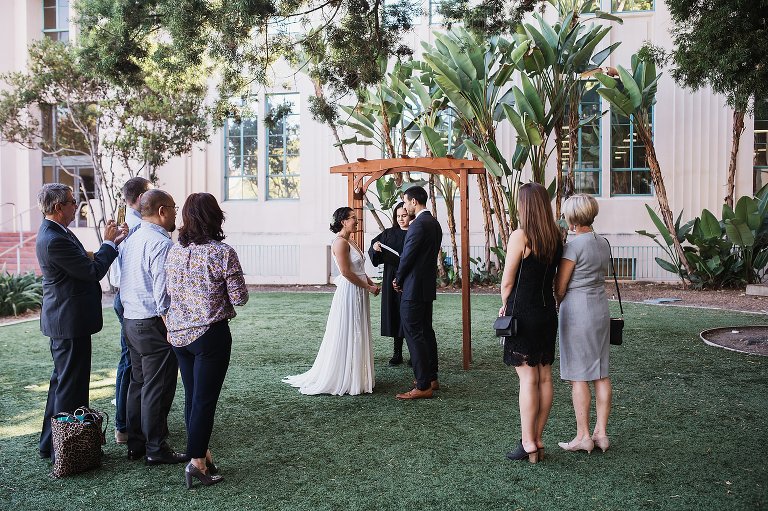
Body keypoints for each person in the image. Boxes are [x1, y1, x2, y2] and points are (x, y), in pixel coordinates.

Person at [35, 183, 127, 461]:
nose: (78, 206)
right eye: (73, 202)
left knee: (62, 384)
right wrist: (109, 244)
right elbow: (92, 271)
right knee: (70, 387)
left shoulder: (56, 232)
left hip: (67, 320)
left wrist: (108, 244)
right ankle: (65, 451)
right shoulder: (54, 238)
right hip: (68, 322)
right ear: (58, 207)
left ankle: (50, 444)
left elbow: (83, 260)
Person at [165, 193, 249, 488]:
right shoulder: (222, 252)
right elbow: (240, 297)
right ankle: (197, 461)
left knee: (193, 397)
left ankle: (201, 452)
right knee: (204, 401)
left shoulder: (174, 252)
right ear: (216, 217)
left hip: (178, 335)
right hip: (209, 335)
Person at [119, 189, 186, 465]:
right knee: (158, 387)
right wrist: (170, 323)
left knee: (139, 383)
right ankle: (156, 448)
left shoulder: (130, 239)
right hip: (152, 322)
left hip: (130, 320)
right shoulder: (161, 244)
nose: (175, 213)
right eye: (173, 208)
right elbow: (162, 291)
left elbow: (116, 279)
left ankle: (136, 443)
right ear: (161, 211)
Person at [283, 207, 379, 396]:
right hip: (350, 291)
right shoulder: (340, 243)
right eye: (353, 218)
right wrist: (368, 287)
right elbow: (345, 272)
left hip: (360, 289)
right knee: (350, 329)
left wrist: (370, 282)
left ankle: (356, 375)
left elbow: (358, 269)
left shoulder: (351, 240)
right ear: (343, 221)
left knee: (358, 329)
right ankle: (345, 377)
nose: (356, 220)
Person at [499, 182, 562, 463]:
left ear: (524, 206)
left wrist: (504, 304)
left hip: (523, 313)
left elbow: (508, 280)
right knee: (544, 377)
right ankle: (538, 438)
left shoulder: (520, 236)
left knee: (527, 379)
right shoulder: (556, 237)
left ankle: (527, 443)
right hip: (547, 312)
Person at [554, 194, 612, 454]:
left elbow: (561, 286)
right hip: (600, 308)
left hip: (578, 311)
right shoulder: (603, 243)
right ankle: (601, 433)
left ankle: (583, 436)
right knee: (600, 372)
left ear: (572, 217)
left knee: (579, 375)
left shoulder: (573, 246)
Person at [111, 176, 151, 445]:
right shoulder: (134, 227)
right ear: (139, 198)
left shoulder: (125, 223)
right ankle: (124, 426)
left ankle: (131, 422)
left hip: (123, 296)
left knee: (131, 361)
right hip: (129, 299)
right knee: (130, 363)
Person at [393, 187, 442, 400]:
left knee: (414, 333)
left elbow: (407, 256)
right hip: (426, 287)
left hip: (413, 288)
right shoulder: (434, 223)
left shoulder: (418, 225)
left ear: (414, 202)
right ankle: (431, 377)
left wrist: (398, 279)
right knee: (425, 331)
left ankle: (423, 385)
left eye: (405, 202)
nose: (404, 206)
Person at [368, 202, 411, 366]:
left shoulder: (415, 232)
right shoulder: (388, 233)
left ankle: (413, 355)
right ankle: (397, 353)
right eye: (398, 216)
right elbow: (373, 252)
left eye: (404, 215)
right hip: (390, 277)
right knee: (395, 313)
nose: (401, 219)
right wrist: (375, 247)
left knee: (409, 315)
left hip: (409, 278)